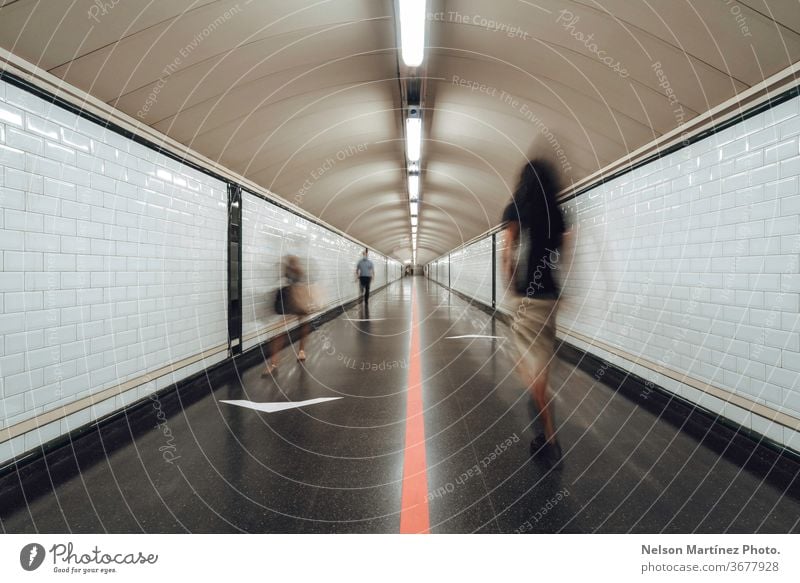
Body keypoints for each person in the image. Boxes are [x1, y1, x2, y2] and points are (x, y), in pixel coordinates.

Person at [501, 158, 566, 469]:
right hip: (550, 296)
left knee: (525, 365)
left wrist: (512, 286)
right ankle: (544, 428)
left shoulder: (516, 208)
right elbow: (563, 254)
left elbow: (508, 253)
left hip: (527, 296)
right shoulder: (557, 212)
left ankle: (550, 436)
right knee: (540, 361)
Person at [264, 255, 312, 375]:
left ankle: (298, 352)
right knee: (285, 330)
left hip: (298, 299)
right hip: (291, 299)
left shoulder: (299, 273)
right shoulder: (290, 272)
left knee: (301, 325)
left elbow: (304, 285)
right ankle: (275, 362)